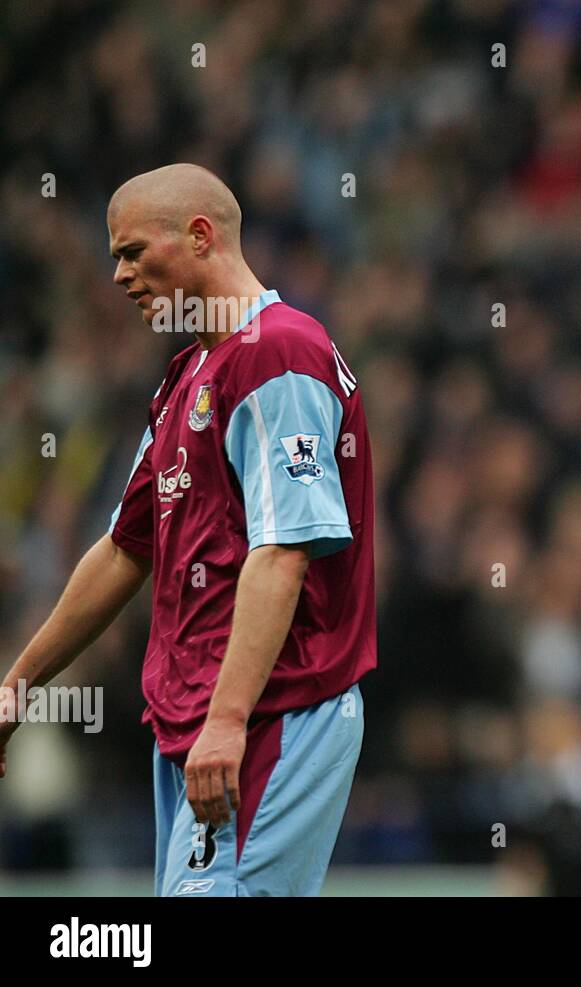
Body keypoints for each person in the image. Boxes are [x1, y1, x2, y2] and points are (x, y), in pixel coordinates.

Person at [0, 164, 376, 896]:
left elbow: (284, 552)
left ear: (200, 236)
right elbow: (121, 550)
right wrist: (17, 686)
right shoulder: (188, 378)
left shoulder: (279, 354)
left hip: (273, 711)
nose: (118, 275)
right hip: (196, 724)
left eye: (134, 252)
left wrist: (230, 719)